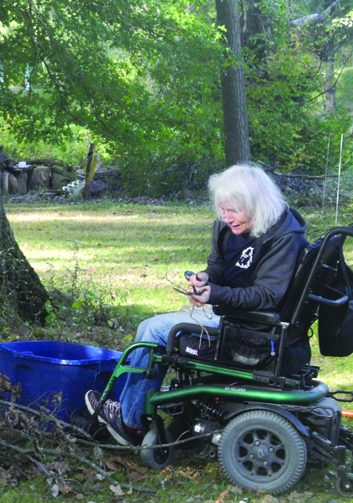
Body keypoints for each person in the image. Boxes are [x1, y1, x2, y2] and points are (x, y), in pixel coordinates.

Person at [85, 164, 308, 445]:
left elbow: (265, 295)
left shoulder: (283, 237)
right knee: (151, 327)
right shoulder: (228, 227)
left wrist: (213, 295)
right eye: (223, 209)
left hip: (252, 327)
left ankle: (129, 422)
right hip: (232, 315)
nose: (227, 218)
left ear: (258, 204)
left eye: (234, 211)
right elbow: (217, 266)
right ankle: (134, 412)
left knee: (152, 331)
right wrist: (205, 279)